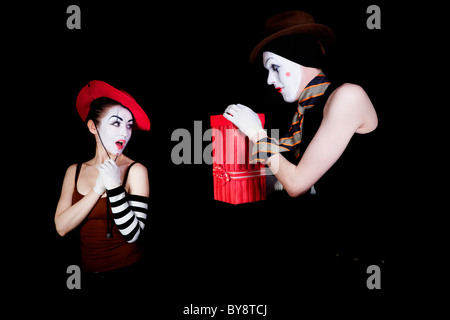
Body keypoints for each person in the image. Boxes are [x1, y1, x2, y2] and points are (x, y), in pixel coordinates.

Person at [223, 11, 383, 286]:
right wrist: (237, 175)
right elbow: (305, 182)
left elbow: (297, 183)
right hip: (330, 247)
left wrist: (256, 134)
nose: (270, 81)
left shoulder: (347, 96)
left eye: (274, 67)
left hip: (365, 256)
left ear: (301, 58)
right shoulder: (306, 112)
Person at [54, 80, 151, 293]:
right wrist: (98, 189)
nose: (125, 132)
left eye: (128, 125)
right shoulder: (74, 171)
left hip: (129, 276)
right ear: (93, 127)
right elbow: (61, 227)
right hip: (86, 277)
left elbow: (133, 234)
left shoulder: (136, 170)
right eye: (116, 123)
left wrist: (115, 187)